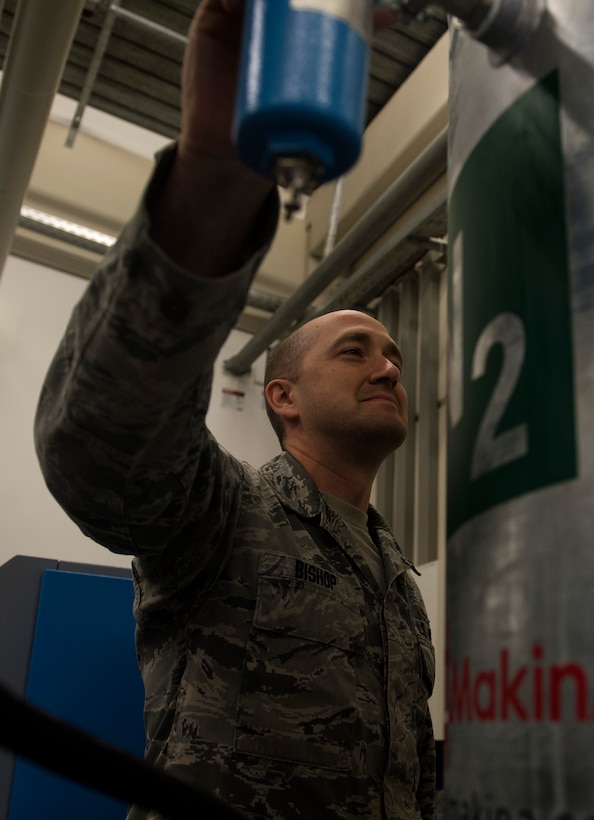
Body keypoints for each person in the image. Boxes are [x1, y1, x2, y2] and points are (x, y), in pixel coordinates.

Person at [34, 1, 436, 818]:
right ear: (280, 397)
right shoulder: (228, 515)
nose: (388, 366)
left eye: (394, 354)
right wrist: (213, 173)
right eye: (354, 350)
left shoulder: (400, 583)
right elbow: (101, 450)